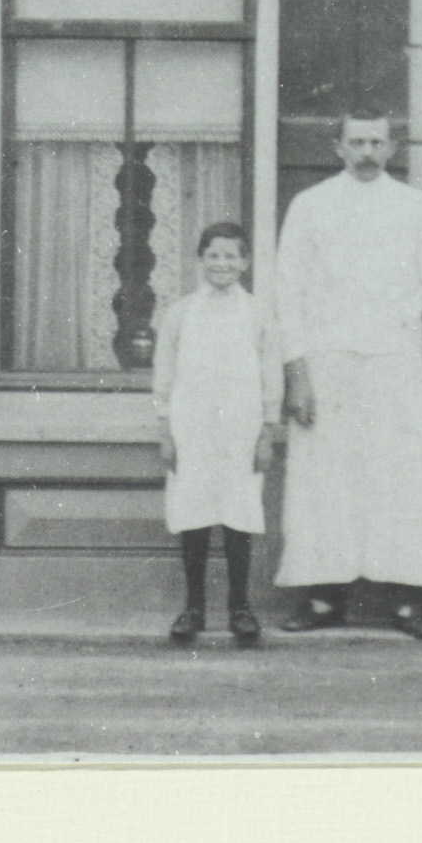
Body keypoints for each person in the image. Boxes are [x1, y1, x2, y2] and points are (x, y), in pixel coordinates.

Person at [275, 110, 422, 640]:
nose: (367, 152)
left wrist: (396, 306)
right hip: (328, 362)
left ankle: (406, 599)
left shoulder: (413, 206)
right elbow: (287, 293)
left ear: (391, 148)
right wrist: (297, 374)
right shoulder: (310, 205)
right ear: (338, 147)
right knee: (326, 478)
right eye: (356, 142)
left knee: (400, 476)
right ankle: (322, 596)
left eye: (377, 142)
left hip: (392, 362)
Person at [153, 221, 282, 646]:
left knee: (237, 516)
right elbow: (165, 376)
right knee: (194, 514)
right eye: (213, 255)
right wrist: (166, 430)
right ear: (200, 260)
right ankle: (193, 608)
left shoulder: (259, 314)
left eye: (231, 256)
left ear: (245, 262)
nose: (222, 264)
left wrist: (266, 433)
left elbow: (270, 376)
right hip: (192, 426)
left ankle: (240, 608)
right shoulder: (181, 313)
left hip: (241, 428)